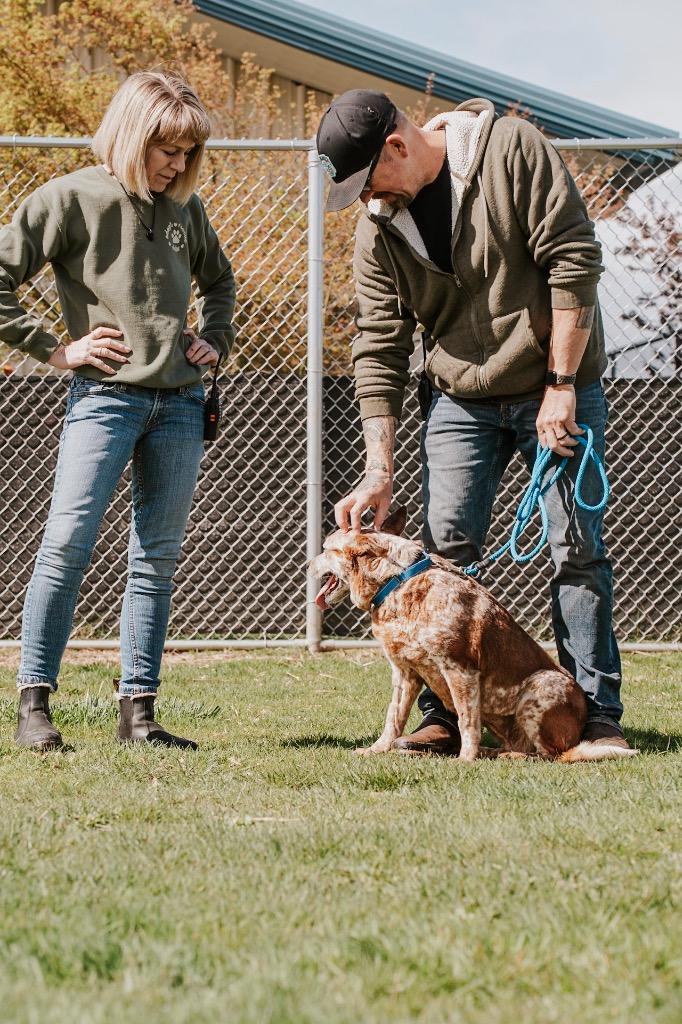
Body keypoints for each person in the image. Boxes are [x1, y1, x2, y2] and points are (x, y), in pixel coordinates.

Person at [316, 89, 631, 755]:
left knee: (576, 550)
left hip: (554, 380)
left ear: (397, 147)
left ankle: (595, 715)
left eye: (369, 180)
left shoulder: (511, 150)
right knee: (445, 557)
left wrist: (563, 384)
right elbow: (378, 343)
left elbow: (573, 258)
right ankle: (441, 716)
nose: (369, 200)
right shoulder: (379, 227)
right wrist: (378, 471)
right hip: (459, 399)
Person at [2, 70, 235, 751]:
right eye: (167, 148)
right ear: (133, 135)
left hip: (183, 406)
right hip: (103, 400)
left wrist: (212, 340)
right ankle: (34, 707)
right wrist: (55, 349)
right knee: (66, 544)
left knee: (155, 562)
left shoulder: (186, 210)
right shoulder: (70, 198)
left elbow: (220, 283)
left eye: (188, 152)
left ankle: (139, 714)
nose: (179, 163)